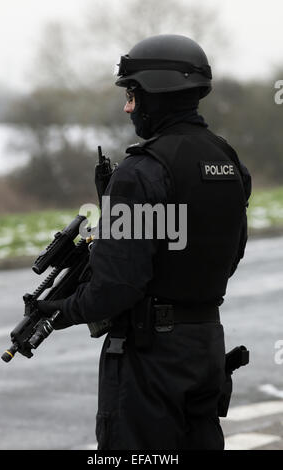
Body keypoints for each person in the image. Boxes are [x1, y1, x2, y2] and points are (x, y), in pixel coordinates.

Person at [38, 34, 251, 450]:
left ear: (157, 94)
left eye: (133, 95)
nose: (128, 107)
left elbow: (116, 287)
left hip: (150, 362)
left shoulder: (140, 172)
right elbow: (230, 253)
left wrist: (59, 311)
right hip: (206, 348)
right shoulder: (228, 161)